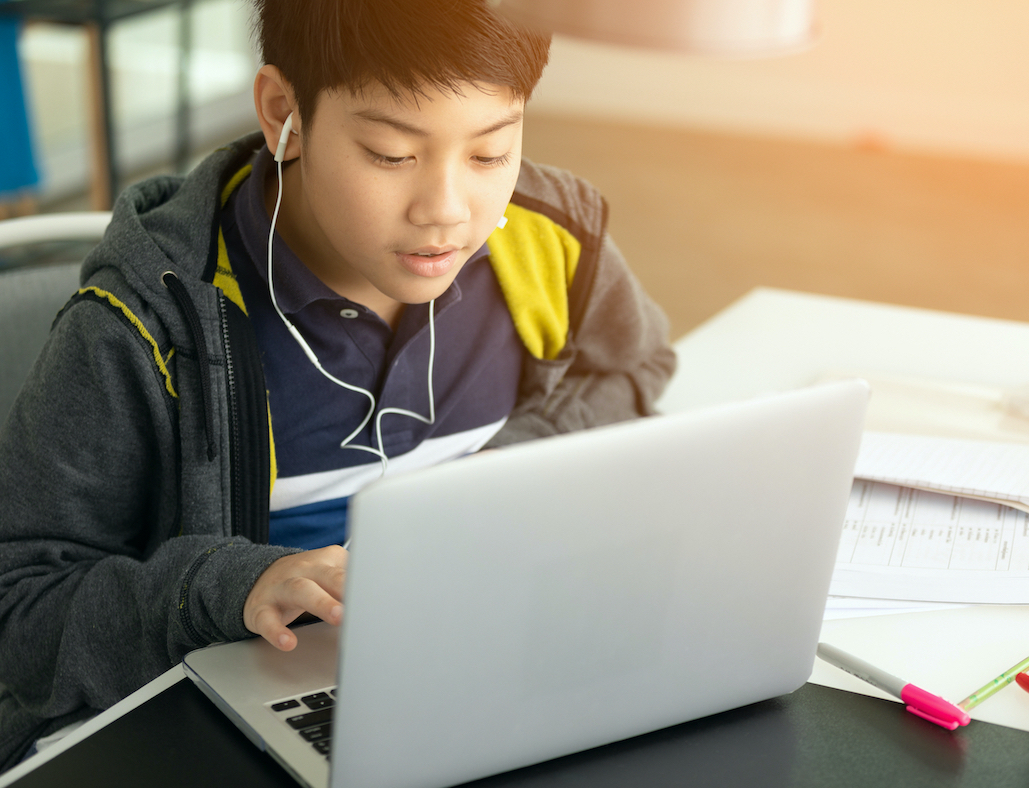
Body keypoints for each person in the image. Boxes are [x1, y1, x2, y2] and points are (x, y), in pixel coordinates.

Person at [0, 0, 675, 769]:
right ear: (284, 112)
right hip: (200, 708)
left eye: (490, 153)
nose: (447, 212)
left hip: (471, 665)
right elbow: (18, 606)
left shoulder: (547, 239)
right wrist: (234, 585)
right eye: (391, 154)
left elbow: (631, 370)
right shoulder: (144, 325)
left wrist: (505, 475)